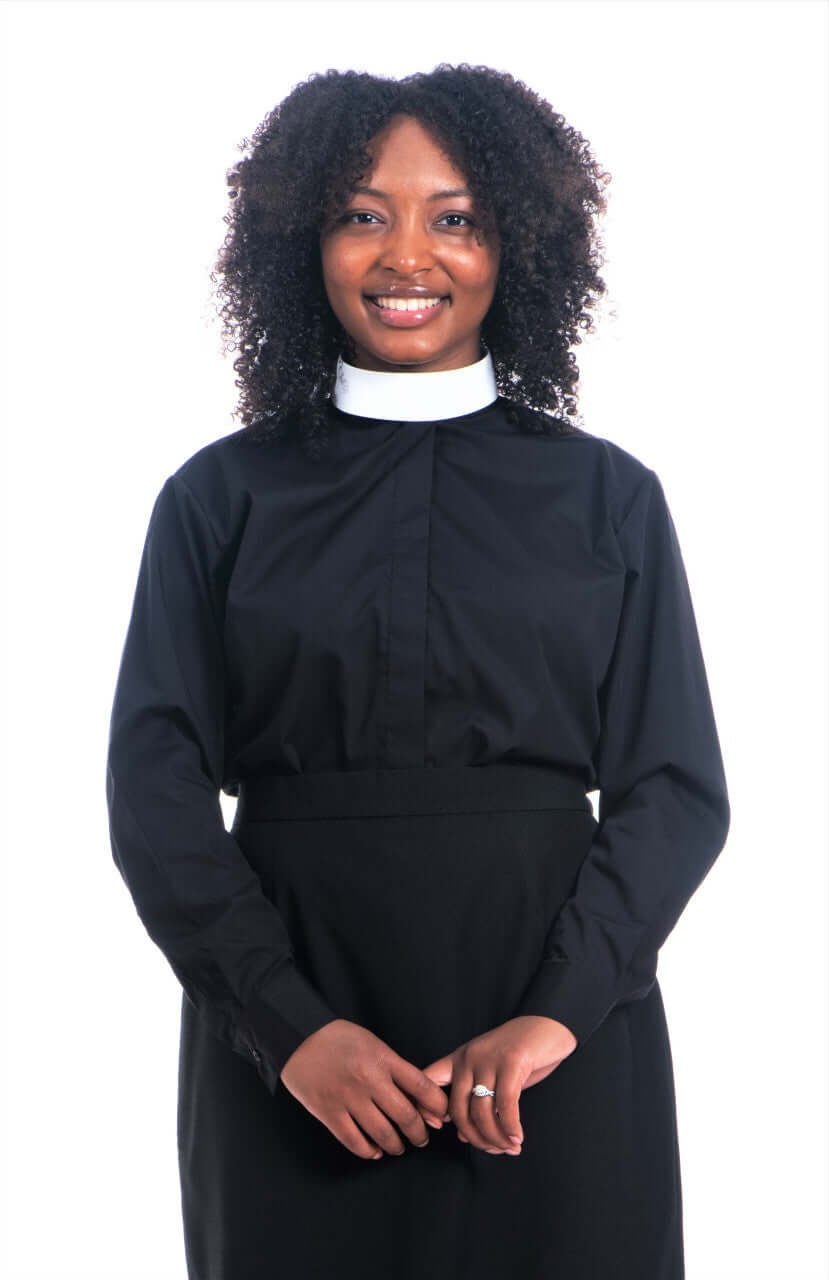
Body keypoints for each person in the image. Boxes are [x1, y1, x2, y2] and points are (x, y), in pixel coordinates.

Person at [105, 63, 730, 1280]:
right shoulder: (217, 498)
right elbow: (153, 792)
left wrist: (556, 1014)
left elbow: (675, 788)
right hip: (292, 1038)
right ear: (300, 241)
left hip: (559, 1038)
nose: (407, 256)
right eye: (359, 213)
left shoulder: (608, 497)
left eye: (454, 217)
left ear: (516, 244)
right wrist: (287, 1027)